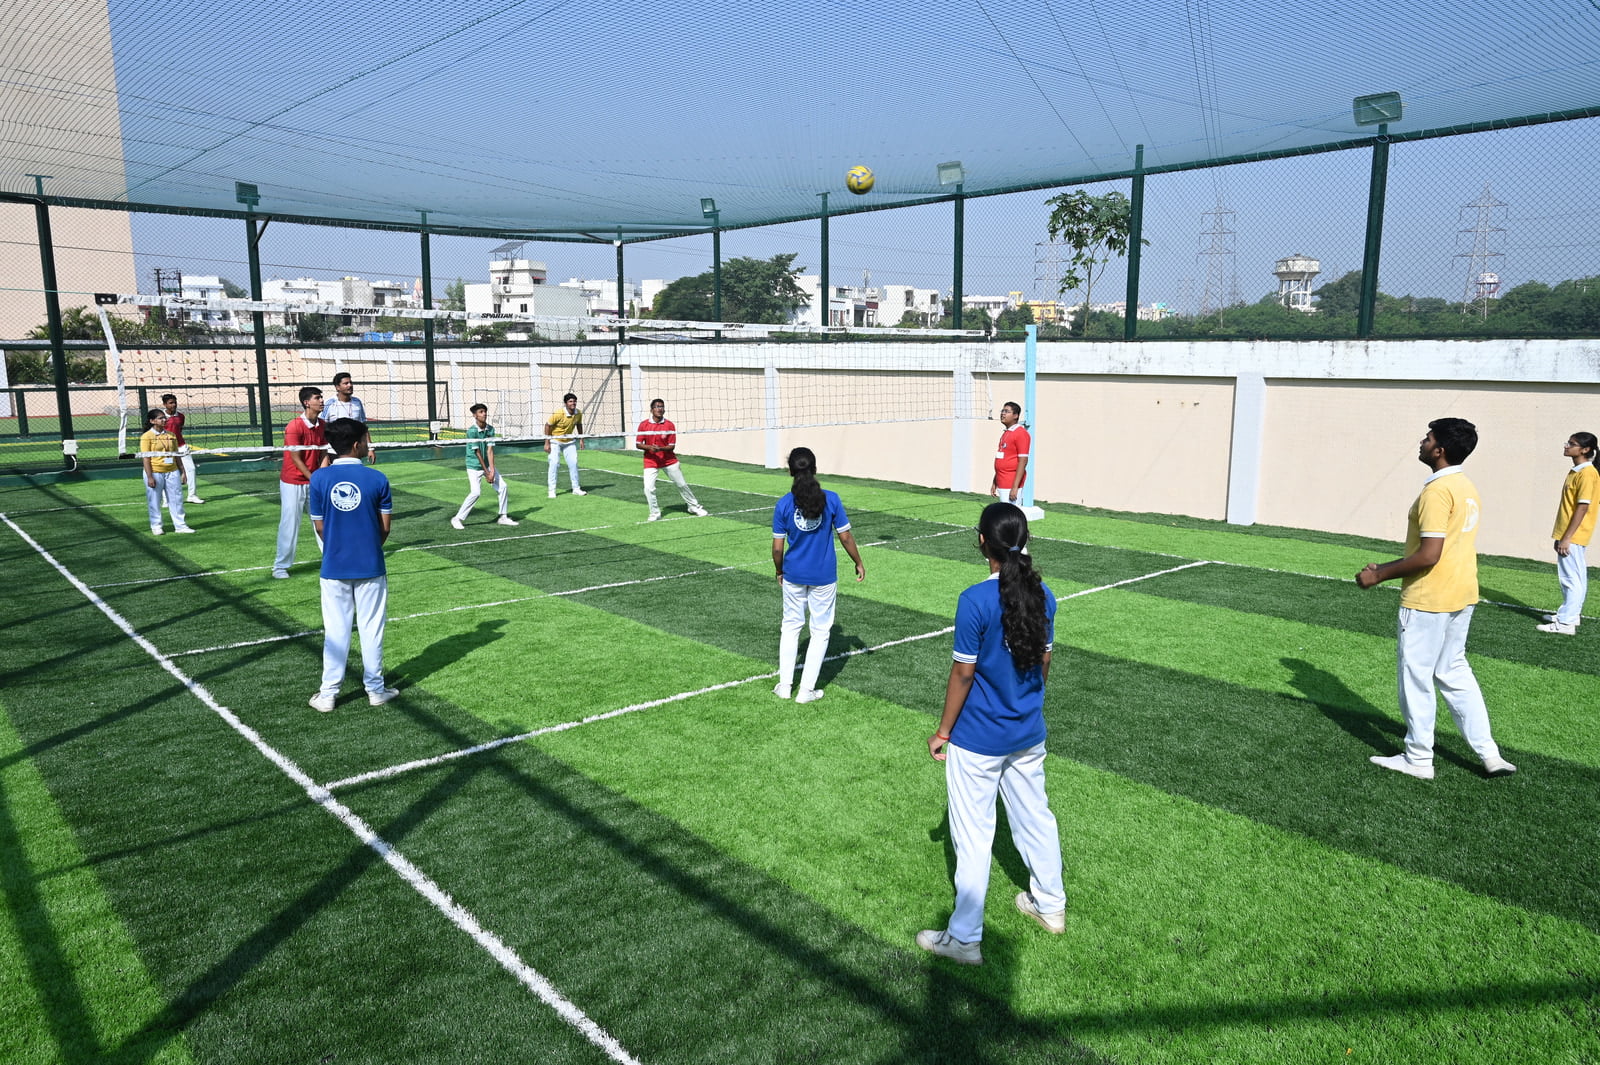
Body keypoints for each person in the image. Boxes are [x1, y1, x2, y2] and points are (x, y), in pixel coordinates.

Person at [918, 502, 1065, 966]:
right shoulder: (1045, 595)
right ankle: (1051, 906)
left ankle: (964, 940)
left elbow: (963, 673)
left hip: (979, 739)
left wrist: (943, 731)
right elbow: (1044, 662)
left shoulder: (974, 600)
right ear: (1025, 541)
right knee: (1036, 817)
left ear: (982, 542)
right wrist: (1026, 707)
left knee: (974, 835)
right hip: (1028, 732)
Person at [1356, 418, 1516, 779]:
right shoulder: (1466, 486)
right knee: (1454, 671)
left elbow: (1429, 554)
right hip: (1463, 592)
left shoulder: (1436, 491)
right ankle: (1490, 754)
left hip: (1429, 597)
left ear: (1439, 450)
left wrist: (1378, 574)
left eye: (1428, 439)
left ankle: (1418, 758)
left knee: (1416, 677)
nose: (1422, 442)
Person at [308, 418, 396, 711]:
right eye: (366, 440)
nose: (368, 444)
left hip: (334, 567)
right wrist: (367, 547)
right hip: (370, 565)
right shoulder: (378, 479)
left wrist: (338, 547)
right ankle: (376, 690)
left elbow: (320, 527)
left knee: (335, 631)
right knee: (372, 629)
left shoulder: (319, 479)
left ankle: (328, 695)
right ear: (357, 444)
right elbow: (385, 528)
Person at [771, 447, 866, 704]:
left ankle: (785, 686)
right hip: (823, 576)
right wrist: (858, 562)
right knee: (820, 631)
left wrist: (779, 570)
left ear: (790, 471)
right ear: (815, 469)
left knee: (791, 626)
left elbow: (778, 548)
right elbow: (845, 536)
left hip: (793, 574)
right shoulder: (832, 499)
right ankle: (806, 691)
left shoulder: (783, 504)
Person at [1536, 431, 1598, 635]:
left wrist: (1567, 537)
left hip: (1574, 535)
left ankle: (1566, 624)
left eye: (1571, 444)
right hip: (1569, 534)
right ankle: (1570, 614)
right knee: (1575, 577)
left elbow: (1583, 507)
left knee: (1571, 579)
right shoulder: (1578, 471)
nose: (1566, 446)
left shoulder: (1586, 473)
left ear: (1585, 449)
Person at [273, 386, 328, 579]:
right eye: (317, 398)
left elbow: (323, 452)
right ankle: (280, 566)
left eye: (321, 397)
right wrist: (314, 478)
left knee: (323, 520)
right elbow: (295, 458)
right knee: (290, 523)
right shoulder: (294, 426)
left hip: (314, 480)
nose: (321, 401)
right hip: (293, 481)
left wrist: (322, 476)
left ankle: (331, 558)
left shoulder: (323, 425)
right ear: (306, 403)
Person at [637, 398, 708, 521]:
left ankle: (694, 507)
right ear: (651, 410)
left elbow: (671, 446)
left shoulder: (669, 425)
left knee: (682, 484)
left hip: (669, 460)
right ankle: (654, 513)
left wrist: (660, 449)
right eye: (657, 406)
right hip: (650, 461)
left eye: (662, 406)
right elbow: (638, 444)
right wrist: (649, 448)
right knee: (648, 488)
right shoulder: (644, 425)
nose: (660, 409)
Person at [452, 402, 518, 529]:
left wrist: (491, 470)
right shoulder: (471, 431)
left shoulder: (490, 429)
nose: (484, 414)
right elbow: (477, 453)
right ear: (475, 415)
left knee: (503, 486)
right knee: (476, 493)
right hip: (473, 465)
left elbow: (490, 450)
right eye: (481, 412)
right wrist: (487, 473)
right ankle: (457, 518)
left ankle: (503, 517)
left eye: (485, 411)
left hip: (486, 465)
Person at [139, 408, 195, 536]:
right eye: (160, 418)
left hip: (172, 471)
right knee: (154, 500)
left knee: (176, 499)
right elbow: (146, 458)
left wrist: (183, 471)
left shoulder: (171, 435)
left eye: (164, 417)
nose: (164, 420)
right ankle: (156, 526)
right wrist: (149, 476)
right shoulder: (146, 437)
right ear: (152, 421)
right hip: (155, 471)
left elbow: (176, 455)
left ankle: (180, 526)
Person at [161, 393, 205, 505]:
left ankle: (192, 495)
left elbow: (179, 430)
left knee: (191, 469)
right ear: (165, 404)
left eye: (175, 402)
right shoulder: (160, 417)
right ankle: (166, 500)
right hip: (167, 449)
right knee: (167, 472)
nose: (174, 405)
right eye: (171, 403)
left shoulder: (181, 416)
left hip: (181, 447)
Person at [325, 372, 375, 463]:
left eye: (351, 382)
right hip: (334, 451)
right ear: (337, 387)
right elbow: (322, 427)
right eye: (346, 383)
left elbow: (363, 426)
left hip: (354, 450)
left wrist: (370, 448)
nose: (350, 385)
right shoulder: (329, 403)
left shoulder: (357, 402)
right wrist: (324, 452)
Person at [545, 391, 586, 497]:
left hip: (569, 441)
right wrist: (547, 442)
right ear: (566, 403)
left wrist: (581, 439)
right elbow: (547, 425)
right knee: (554, 464)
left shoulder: (578, 413)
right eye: (570, 401)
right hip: (555, 441)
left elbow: (579, 425)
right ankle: (551, 490)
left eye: (574, 401)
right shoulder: (559, 413)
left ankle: (576, 488)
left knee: (574, 463)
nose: (573, 403)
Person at [990, 401, 1031, 504]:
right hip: (1002, 480)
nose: (1003, 414)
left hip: (1011, 482)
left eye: (1007, 411)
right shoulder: (1006, 433)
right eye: (1002, 411)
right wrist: (995, 481)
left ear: (1015, 415)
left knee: (1012, 512)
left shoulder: (1021, 433)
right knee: (1005, 511)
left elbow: (1023, 461)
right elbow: (1001, 459)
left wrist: (1015, 487)